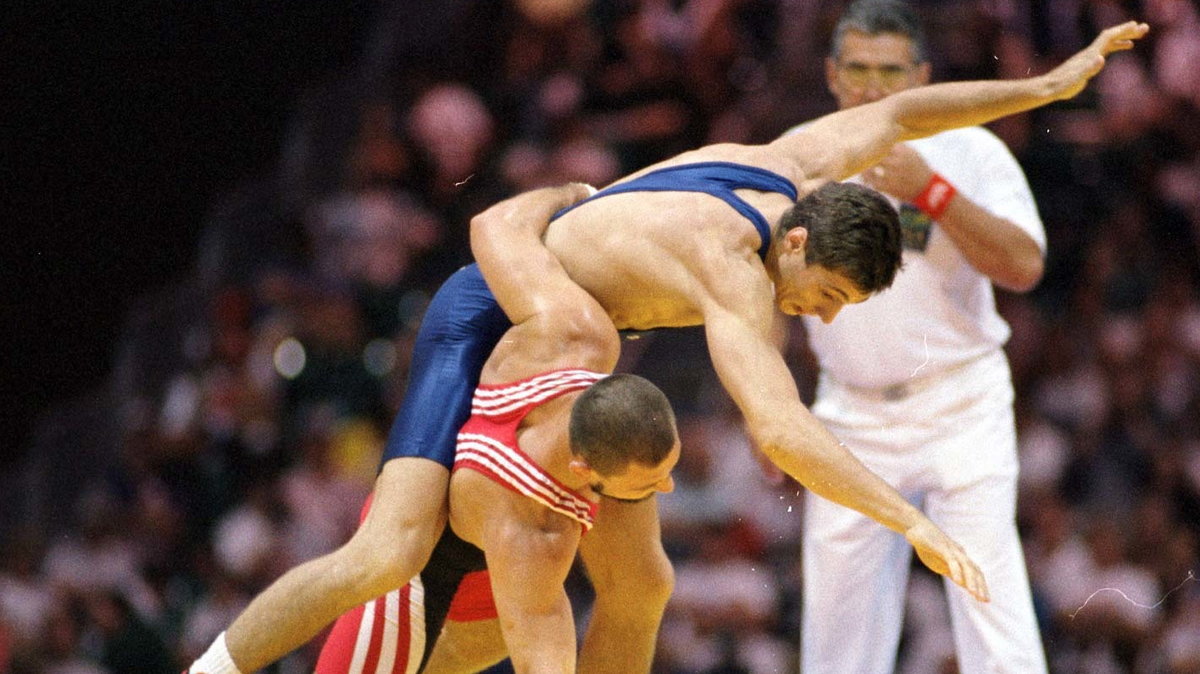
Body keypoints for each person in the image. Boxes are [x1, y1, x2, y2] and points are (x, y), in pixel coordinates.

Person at [187, 20, 1147, 674]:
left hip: (584, 330)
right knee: (388, 553)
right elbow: (779, 430)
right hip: (498, 316)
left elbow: (899, 116)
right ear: (800, 243)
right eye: (826, 295)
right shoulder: (730, 266)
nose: (820, 317)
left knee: (641, 579)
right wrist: (914, 521)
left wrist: (1047, 85)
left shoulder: (793, 167)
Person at [315, 184, 681, 674]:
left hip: (491, 551)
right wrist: (573, 190)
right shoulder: (571, 331)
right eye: (651, 481)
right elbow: (491, 226)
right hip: (427, 547)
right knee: (400, 543)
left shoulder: (591, 357)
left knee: (645, 584)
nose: (668, 487)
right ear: (584, 468)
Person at [789, 1, 1049, 672]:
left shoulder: (969, 148)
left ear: (923, 75)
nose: (874, 88)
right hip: (847, 410)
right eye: (859, 69)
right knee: (837, 627)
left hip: (959, 402)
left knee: (989, 598)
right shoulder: (801, 157)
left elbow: (1024, 265)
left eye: (891, 71)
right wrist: (775, 408)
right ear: (831, 73)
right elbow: (763, 284)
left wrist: (931, 191)